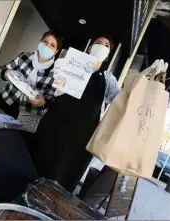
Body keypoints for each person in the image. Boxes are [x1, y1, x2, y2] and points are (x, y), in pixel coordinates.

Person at [29, 35, 119, 192]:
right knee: (37, 164)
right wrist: (59, 72)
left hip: (78, 140)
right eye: (98, 43)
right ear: (90, 47)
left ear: (108, 55)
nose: (101, 46)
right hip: (54, 126)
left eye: (106, 46)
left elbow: (118, 101)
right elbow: (56, 92)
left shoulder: (108, 78)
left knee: (61, 177)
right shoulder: (71, 63)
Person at [0, 31, 63, 119]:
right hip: (6, 100)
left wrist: (43, 102)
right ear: (40, 42)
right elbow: (3, 70)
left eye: (52, 45)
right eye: (45, 42)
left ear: (56, 51)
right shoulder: (25, 56)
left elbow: (51, 97)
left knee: (14, 133)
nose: (47, 46)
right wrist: (6, 73)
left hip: (28, 113)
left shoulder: (56, 72)